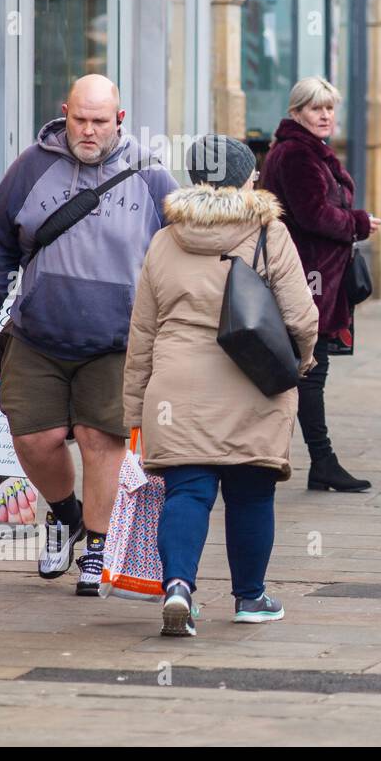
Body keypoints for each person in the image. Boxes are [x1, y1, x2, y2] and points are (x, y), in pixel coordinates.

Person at [0, 74, 176, 594]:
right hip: (39, 334)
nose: (87, 130)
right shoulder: (31, 167)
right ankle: (65, 514)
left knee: (99, 438)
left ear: (119, 121)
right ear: (65, 112)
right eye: (79, 118)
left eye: (99, 121)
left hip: (116, 341)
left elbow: (180, 248)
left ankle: (100, 547)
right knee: (33, 438)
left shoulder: (150, 175)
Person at [123, 136, 319, 637]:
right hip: (252, 379)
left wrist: (134, 408)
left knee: (186, 491)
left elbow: (142, 330)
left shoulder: (166, 238)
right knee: (252, 492)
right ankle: (250, 597)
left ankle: (179, 589)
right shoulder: (268, 232)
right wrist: (302, 362)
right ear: (246, 177)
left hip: (176, 383)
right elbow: (299, 314)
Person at [259, 77, 381, 492]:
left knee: (307, 369)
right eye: (315, 108)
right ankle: (314, 461)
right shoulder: (296, 154)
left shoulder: (311, 151)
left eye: (329, 107)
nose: (326, 115)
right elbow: (313, 215)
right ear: (296, 113)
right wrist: (359, 223)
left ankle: (314, 462)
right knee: (307, 370)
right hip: (305, 279)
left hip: (316, 278)